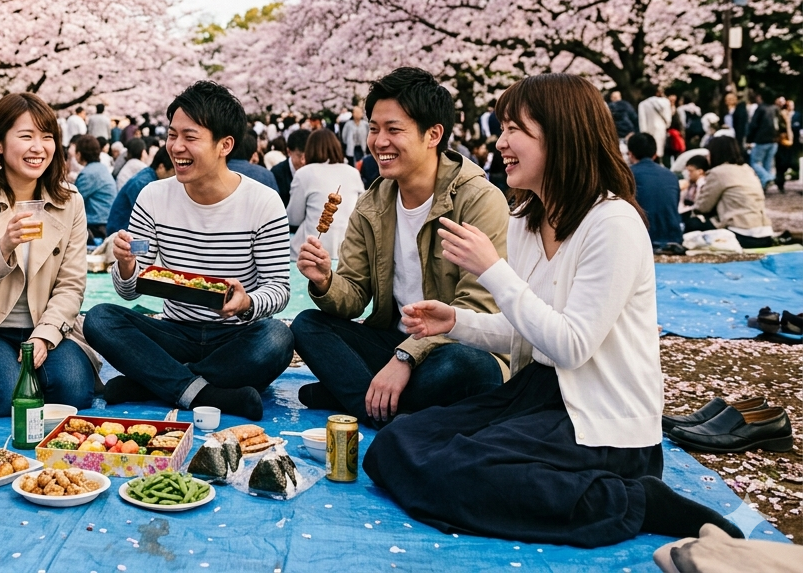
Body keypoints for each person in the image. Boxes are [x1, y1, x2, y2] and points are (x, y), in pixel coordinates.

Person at [366, 72, 742, 548]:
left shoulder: (614, 224)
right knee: (397, 445)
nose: (499, 142)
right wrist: (457, 322)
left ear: (561, 136)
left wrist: (492, 272)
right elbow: (524, 333)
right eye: (501, 129)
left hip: (600, 418)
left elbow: (571, 346)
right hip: (535, 393)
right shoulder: (527, 219)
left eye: (514, 130)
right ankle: (586, 494)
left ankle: (635, 501)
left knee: (458, 466)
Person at [290, 67, 507, 427]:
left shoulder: (478, 200)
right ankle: (386, 407)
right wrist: (326, 281)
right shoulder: (372, 202)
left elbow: (478, 308)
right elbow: (355, 295)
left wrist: (406, 357)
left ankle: (356, 398)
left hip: (456, 347)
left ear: (433, 134)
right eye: (374, 129)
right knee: (308, 325)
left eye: (394, 130)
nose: (378, 141)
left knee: (465, 367)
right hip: (392, 341)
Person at [85, 81, 293, 422]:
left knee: (278, 337)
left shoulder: (263, 202)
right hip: (174, 330)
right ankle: (204, 393)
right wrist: (125, 266)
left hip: (236, 334)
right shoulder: (153, 196)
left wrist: (247, 303)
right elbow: (130, 290)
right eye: (172, 135)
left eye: (190, 137)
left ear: (224, 145)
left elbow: (279, 288)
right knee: (100, 319)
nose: (176, 147)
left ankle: (158, 383)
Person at [0, 94, 99, 416]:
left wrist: (45, 336)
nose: (38, 148)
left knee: (74, 391)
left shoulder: (70, 203)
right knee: (4, 395)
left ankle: (34, 372)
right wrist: (3, 249)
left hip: (45, 324)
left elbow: (71, 286)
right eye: (26, 136)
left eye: (47, 137)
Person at [286, 129, 365, 260]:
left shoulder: (304, 173)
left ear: (309, 149)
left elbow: (294, 217)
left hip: (312, 250)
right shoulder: (353, 173)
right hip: (347, 249)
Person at [688, 136, 776, 247]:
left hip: (741, 234)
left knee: (691, 224)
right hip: (764, 233)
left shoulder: (718, 173)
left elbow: (702, 207)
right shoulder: (747, 169)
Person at [625, 133, 683, 250]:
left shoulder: (627, 175)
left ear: (630, 154)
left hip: (642, 238)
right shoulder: (671, 176)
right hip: (673, 237)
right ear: (655, 155)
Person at [106, 146, 174, 235]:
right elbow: (150, 220)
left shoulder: (149, 177)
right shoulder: (143, 184)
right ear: (161, 167)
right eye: (173, 173)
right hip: (122, 236)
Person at [72, 135, 116, 241]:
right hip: (106, 221)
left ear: (79, 154)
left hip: (96, 226)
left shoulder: (88, 174)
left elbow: (72, 201)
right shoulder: (100, 168)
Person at [745, 93, 781, 188]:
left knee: (754, 162)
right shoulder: (775, 108)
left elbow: (753, 125)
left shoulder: (760, 108)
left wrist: (749, 138)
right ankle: (764, 185)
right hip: (773, 140)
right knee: (767, 164)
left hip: (761, 140)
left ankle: (767, 178)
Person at [272, 128, 309, 206]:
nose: (304, 161)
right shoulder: (277, 173)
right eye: (300, 157)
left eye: (308, 156)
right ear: (289, 152)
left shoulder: (315, 170)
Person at [637, 87, 672, 163]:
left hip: (649, 130)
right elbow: (668, 120)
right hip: (661, 129)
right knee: (660, 151)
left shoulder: (643, 104)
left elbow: (642, 121)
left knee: (650, 151)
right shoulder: (666, 102)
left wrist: (644, 134)